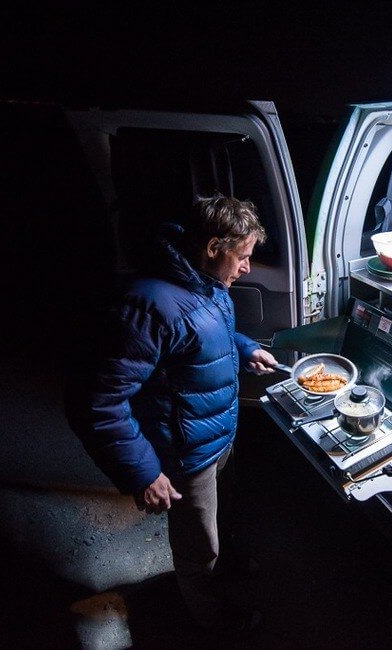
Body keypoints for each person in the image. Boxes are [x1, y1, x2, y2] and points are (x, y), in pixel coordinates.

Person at [64, 194, 278, 637]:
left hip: (217, 438)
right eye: (244, 257)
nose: (248, 269)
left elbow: (203, 334)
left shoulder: (206, 285)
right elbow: (96, 401)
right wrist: (144, 473)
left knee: (224, 520)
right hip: (185, 454)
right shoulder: (146, 306)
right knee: (199, 549)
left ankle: (228, 566)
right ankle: (214, 618)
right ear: (215, 246)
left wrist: (245, 348)